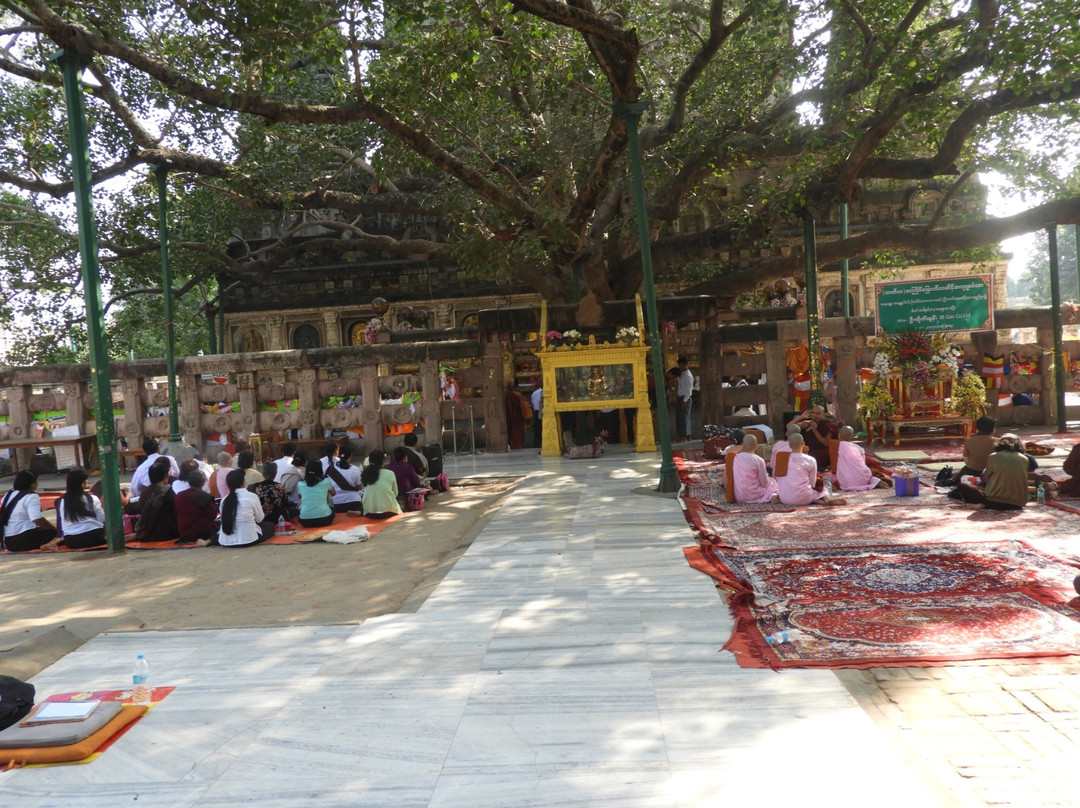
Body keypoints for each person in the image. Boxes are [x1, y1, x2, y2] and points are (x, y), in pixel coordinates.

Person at [950, 434, 1032, 510]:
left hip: (995, 501)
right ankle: (985, 505)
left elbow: (985, 478)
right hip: (1018, 504)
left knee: (963, 487)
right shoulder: (1024, 458)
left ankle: (984, 505)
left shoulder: (994, 456)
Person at [777, 434, 845, 506]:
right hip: (804, 498)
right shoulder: (810, 460)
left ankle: (816, 500)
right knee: (822, 490)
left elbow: (779, 479)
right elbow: (813, 483)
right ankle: (825, 500)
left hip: (785, 499)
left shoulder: (781, 459)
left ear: (789, 445)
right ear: (803, 444)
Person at [1, 470, 60, 551]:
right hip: (24, 539)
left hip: (9, 541)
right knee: (61, 533)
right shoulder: (31, 497)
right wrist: (53, 528)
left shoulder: (8, 495)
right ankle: (49, 544)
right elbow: (36, 519)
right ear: (32, 484)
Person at [218, 469, 275, 547]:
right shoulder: (252, 496)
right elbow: (259, 519)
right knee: (270, 526)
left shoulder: (224, 500)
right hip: (248, 539)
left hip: (226, 541)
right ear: (243, 482)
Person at [56, 469, 107, 549]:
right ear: (83, 484)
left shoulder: (62, 501)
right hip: (94, 536)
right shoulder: (92, 498)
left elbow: (63, 523)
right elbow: (102, 519)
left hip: (71, 541)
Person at [131, 460, 178, 542]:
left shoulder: (144, 492)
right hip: (168, 534)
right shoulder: (167, 491)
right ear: (165, 476)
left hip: (148, 534)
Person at [730, 434, 779, 504]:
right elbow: (764, 482)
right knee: (773, 482)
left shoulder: (736, 458)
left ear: (742, 445)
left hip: (740, 495)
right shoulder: (759, 460)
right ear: (756, 446)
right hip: (755, 493)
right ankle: (772, 495)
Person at [834, 426, 885, 491]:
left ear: (839, 435)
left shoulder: (836, 446)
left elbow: (834, 462)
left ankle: (874, 481)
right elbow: (862, 463)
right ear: (852, 436)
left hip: (847, 480)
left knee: (836, 478)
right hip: (864, 476)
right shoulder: (857, 447)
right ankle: (875, 481)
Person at [788, 405, 839, 471]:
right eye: (813, 413)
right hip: (809, 451)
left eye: (818, 413)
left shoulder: (828, 425)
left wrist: (815, 431)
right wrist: (801, 417)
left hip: (822, 454)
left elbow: (826, 443)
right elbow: (789, 426)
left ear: (823, 414)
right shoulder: (807, 424)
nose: (815, 415)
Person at [128, 437, 180, 501]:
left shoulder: (141, 469)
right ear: (158, 448)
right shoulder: (170, 459)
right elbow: (178, 475)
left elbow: (133, 489)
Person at [175, 469, 218, 545]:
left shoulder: (179, 495)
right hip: (203, 532)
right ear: (203, 482)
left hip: (184, 534)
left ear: (189, 481)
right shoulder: (203, 496)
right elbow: (213, 515)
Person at [360, 450, 401, 519]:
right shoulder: (390, 473)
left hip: (369, 513)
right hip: (389, 511)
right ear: (383, 461)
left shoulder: (365, 474)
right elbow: (395, 493)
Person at [955, 416, 998, 481]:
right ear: (993, 428)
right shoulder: (998, 442)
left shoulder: (969, 441)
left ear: (977, 428)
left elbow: (966, 460)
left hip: (971, 472)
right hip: (992, 474)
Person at [297, 458, 336, 528]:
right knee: (328, 495)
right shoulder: (326, 481)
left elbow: (300, 497)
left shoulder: (300, 484)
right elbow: (333, 493)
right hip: (325, 519)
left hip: (305, 521)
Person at [325, 444, 364, 513]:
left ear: (339, 454)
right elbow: (360, 487)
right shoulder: (355, 469)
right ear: (351, 455)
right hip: (354, 503)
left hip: (336, 504)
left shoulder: (330, 469)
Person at [673, 356, 694, 442]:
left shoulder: (688, 376)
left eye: (680, 365)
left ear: (683, 365)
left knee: (683, 418)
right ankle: (686, 435)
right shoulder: (683, 374)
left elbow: (688, 390)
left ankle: (683, 436)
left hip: (685, 398)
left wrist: (685, 400)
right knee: (682, 417)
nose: (679, 367)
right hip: (682, 398)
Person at [505, 384, 531, 450]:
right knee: (517, 434)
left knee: (512, 433)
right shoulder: (518, 395)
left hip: (510, 418)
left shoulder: (510, 396)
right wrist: (527, 416)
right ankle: (517, 446)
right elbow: (524, 407)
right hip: (517, 418)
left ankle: (514, 446)